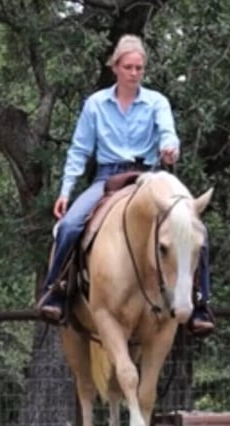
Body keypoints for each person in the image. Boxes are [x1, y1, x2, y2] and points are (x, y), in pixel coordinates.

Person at [36, 34, 214, 336]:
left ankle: (200, 303)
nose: (135, 73)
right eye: (129, 67)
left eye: (139, 68)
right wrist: (66, 191)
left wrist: (170, 148)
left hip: (148, 177)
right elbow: (79, 150)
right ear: (115, 67)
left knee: (195, 228)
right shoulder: (95, 104)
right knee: (69, 226)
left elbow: (168, 134)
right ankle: (57, 290)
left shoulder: (157, 101)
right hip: (108, 178)